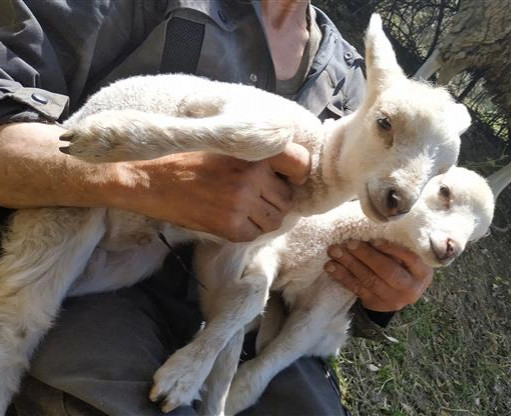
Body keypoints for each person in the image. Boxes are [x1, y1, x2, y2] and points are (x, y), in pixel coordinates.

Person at [0, 0, 434, 414]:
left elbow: (332, 241)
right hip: (96, 275)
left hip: (244, 314)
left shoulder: (352, 79)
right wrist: (142, 181)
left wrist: (381, 294)